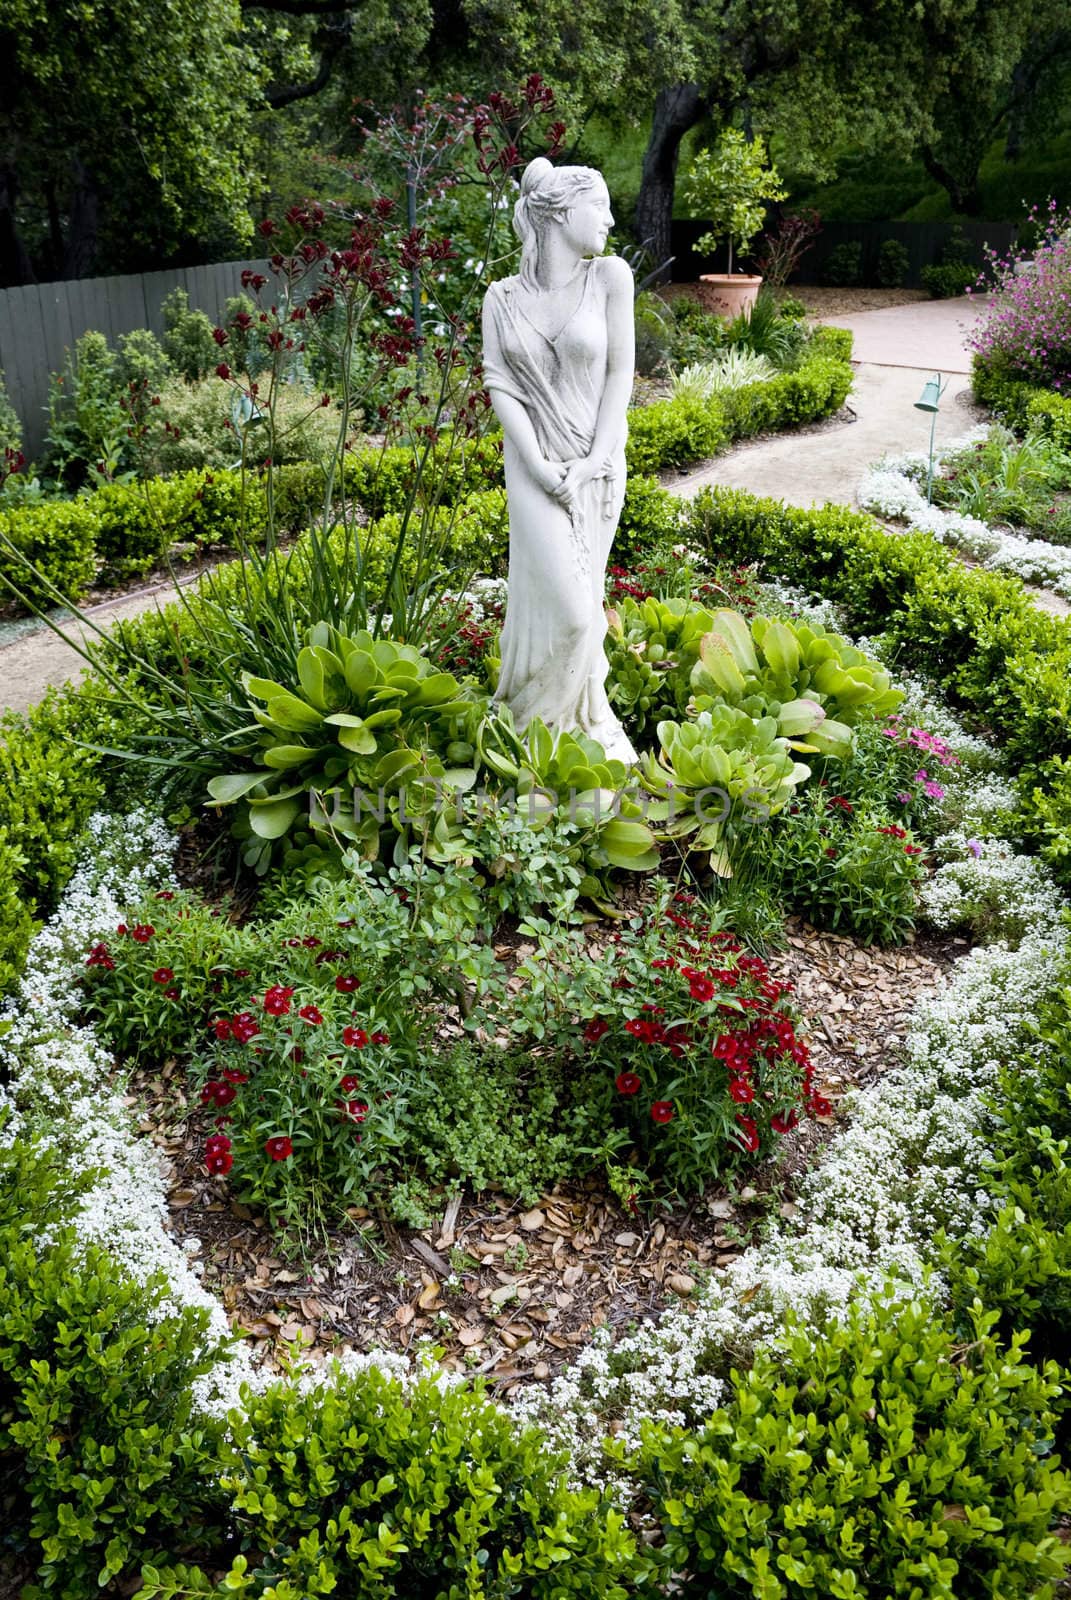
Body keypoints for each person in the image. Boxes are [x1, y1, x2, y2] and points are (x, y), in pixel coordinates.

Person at [481, 156, 638, 764]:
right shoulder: (501, 297)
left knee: (583, 598)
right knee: (576, 616)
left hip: (597, 468)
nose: (609, 217)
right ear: (562, 212)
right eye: (599, 205)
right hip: (533, 469)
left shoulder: (609, 277)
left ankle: (584, 720)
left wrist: (596, 458)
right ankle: (531, 739)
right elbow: (501, 385)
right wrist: (541, 466)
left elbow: (621, 371)